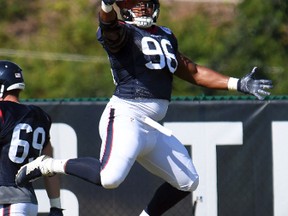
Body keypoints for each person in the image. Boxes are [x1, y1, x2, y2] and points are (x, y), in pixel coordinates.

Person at [15, 0, 273, 215]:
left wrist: (237, 83)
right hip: (127, 114)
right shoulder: (123, 32)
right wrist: (106, 5)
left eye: (144, 3)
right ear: (123, 7)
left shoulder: (166, 35)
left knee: (187, 181)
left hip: (150, 125)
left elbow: (191, 70)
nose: (141, 8)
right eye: (134, 3)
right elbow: (108, 27)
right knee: (110, 178)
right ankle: (47, 165)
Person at [0, 60, 63, 216]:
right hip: (27, 201)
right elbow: (50, 165)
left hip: (7, 200)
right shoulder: (40, 116)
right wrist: (56, 206)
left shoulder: (4, 112)